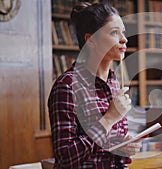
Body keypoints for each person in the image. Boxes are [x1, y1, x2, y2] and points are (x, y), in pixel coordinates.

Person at [48, 2, 141, 168]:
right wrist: (109, 119)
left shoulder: (114, 83)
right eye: (114, 32)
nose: (124, 39)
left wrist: (124, 146)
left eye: (123, 32)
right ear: (90, 40)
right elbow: (65, 157)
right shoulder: (67, 86)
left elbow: (105, 145)